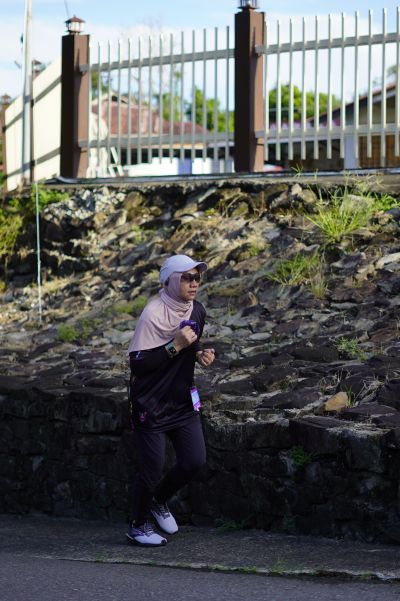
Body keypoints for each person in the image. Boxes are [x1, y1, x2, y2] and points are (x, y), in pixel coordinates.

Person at [126, 254, 215, 547]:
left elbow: (193, 340)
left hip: (181, 400)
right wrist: (174, 346)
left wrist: (200, 353)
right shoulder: (152, 314)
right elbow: (138, 364)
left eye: (197, 278)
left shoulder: (197, 310)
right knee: (152, 468)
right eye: (187, 278)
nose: (194, 283)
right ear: (169, 281)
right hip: (150, 403)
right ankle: (138, 526)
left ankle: (159, 501)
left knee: (194, 461)